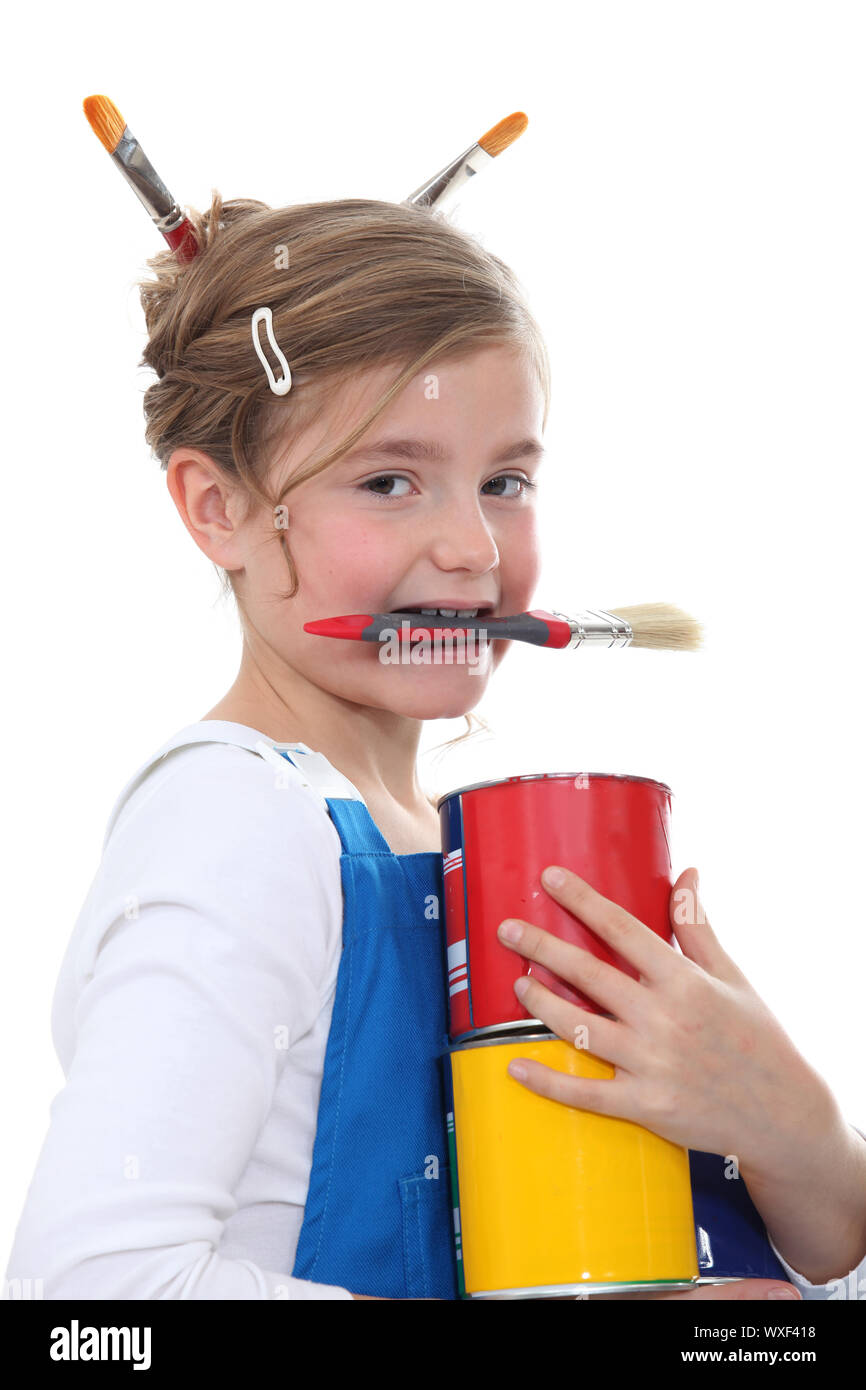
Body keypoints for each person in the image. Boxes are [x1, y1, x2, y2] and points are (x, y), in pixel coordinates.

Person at [5, 193, 865, 1300]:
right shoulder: (239, 823)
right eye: (388, 481)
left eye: (503, 481)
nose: (469, 547)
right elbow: (89, 1298)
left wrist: (797, 1138)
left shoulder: (458, 841)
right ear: (216, 505)